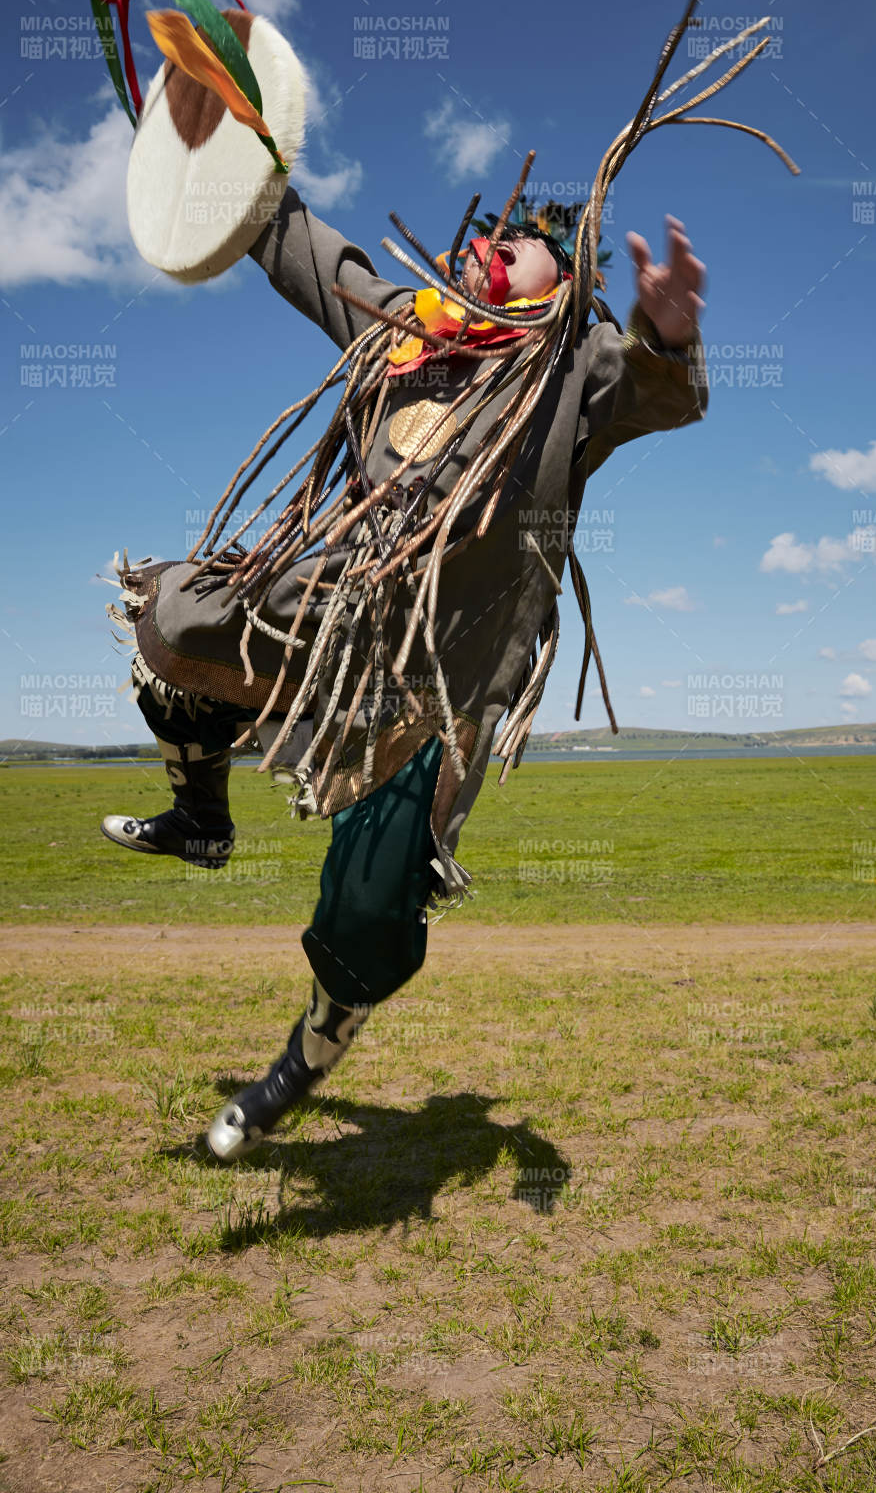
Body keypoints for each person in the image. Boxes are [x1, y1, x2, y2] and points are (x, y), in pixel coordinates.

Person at [102, 185, 707, 1161]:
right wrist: (227, 140)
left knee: (368, 904)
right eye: (489, 235)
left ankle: (298, 1064)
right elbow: (301, 245)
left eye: (525, 243)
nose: (495, 247)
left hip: (438, 679)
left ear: (571, 283)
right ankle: (201, 819)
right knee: (175, 615)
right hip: (329, 616)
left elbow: (652, 389)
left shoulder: (570, 370)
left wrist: (664, 334)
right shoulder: (402, 331)